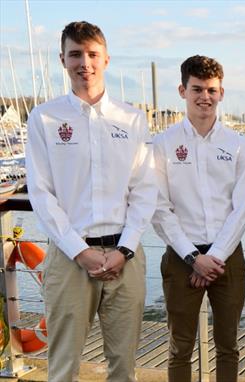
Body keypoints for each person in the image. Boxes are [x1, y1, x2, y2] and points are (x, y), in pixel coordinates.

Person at [25, 21, 157, 381]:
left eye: (92, 54)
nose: (85, 62)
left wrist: (125, 249)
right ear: (63, 60)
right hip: (69, 259)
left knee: (124, 368)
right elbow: (40, 192)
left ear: (106, 59)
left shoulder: (132, 118)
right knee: (63, 367)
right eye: (76, 54)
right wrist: (79, 250)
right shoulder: (44, 118)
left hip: (124, 257)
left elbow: (144, 190)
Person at [151, 55, 245, 381]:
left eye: (211, 90)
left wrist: (215, 257)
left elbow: (242, 208)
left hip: (228, 257)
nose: (204, 97)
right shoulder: (163, 144)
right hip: (182, 256)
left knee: (229, 345)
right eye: (197, 89)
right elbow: (158, 208)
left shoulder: (238, 146)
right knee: (179, 346)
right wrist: (194, 258)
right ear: (183, 90)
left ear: (221, 92)